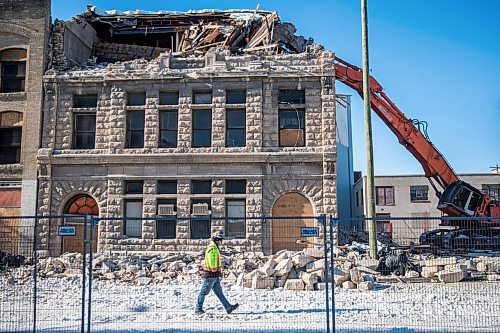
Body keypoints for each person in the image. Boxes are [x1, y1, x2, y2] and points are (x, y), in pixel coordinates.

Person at [195, 231, 239, 315]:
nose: (221, 242)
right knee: (203, 292)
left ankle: (228, 307)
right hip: (210, 275)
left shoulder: (214, 248)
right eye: (220, 240)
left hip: (214, 275)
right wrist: (215, 270)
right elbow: (212, 262)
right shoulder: (212, 249)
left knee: (219, 292)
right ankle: (198, 309)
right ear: (216, 240)